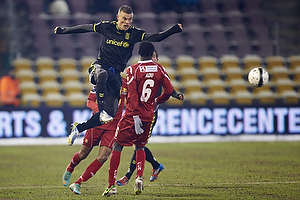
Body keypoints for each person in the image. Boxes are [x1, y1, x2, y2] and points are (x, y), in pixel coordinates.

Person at [54, 5, 183, 146]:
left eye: (130, 19)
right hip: (99, 66)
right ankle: (101, 110)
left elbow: (155, 37)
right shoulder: (106, 27)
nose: (127, 22)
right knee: (102, 75)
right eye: (124, 19)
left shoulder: (134, 33)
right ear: (118, 18)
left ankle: (79, 128)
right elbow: (86, 28)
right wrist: (63, 31)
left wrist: (174, 30)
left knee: (109, 116)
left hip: (115, 76)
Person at [102, 41, 174, 196]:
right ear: (152, 52)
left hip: (132, 115)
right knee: (140, 146)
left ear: (139, 52)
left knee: (117, 146)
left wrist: (134, 115)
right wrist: (157, 101)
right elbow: (169, 90)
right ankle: (139, 178)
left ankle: (111, 186)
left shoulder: (133, 69)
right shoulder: (160, 69)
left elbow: (133, 94)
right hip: (149, 115)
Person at [116, 49, 184, 186]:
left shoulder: (158, 71)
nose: (152, 58)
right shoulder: (142, 71)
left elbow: (169, 88)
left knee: (138, 145)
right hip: (137, 111)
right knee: (138, 145)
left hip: (149, 113)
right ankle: (156, 165)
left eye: (154, 56)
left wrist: (175, 96)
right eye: (151, 55)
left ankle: (129, 175)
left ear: (157, 59)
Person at [62, 79, 127, 195]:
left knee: (103, 157)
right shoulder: (103, 82)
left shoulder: (126, 83)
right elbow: (90, 101)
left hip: (112, 126)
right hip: (97, 123)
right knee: (83, 154)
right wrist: (101, 113)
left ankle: (77, 183)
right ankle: (70, 168)